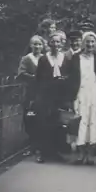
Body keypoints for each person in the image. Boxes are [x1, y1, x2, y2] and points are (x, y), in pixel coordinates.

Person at [65, 31, 96, 165]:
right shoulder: (75, 58)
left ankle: (90, 154)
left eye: (92, 41)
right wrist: (70, 95)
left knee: (93, 122)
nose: (90, 44)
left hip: (95, 94)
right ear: (83, 42)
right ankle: (81, 154)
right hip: (80, 94)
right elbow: (69, 78)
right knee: (80, 122)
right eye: (87, 41)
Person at [34, 32, 68, 163]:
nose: (55, 44)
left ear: (61, 43)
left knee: (57, 124)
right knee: (43, 124)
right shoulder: (43, 59)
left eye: (58, 42)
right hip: (45, 95)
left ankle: (55, 152)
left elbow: (68, 74)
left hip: (59, 95)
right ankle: (42, 152)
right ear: (49, 43)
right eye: (53, 42)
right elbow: (38, 78)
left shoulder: (64, 58)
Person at [18, 35, 46, 156]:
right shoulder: (26, 59)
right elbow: (21, 73)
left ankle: (41, 145)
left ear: (43, 46)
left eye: (39, 44)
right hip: (30, 93)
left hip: (43, 93)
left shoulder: (45, 58)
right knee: (29, 119)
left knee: (41, 119)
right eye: (35, 44)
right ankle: (31, 146)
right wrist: (34, 78)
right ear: (31, 45)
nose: (37, 46)